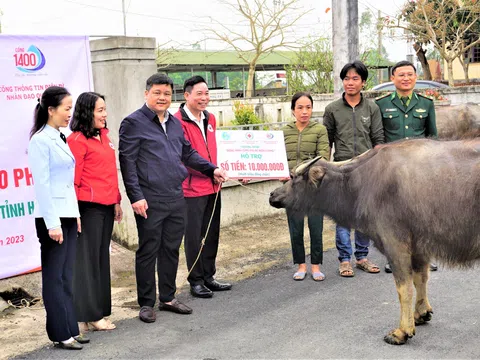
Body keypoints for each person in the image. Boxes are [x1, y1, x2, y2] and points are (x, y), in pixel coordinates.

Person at [119, 74, 228, 323]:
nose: (162, 98)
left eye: (167, 94)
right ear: (146, 94)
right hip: (150, 198)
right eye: (157, 92)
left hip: (176, 195)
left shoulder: (174, 123)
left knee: (170, 249)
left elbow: (188, 154)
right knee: (149, 250)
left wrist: (212, 169)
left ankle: (167, 297)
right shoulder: (133, 123)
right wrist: (135, 197)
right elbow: (128, 163)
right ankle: (146, 303)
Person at [28, 86, 89, 350]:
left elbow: (66, 183)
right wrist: (53, 223)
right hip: (51, 219)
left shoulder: (60, 136)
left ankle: (70, 328)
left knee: (66, 275)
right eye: (66, 108)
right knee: (54, 277)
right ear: (50, 110)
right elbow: (43, 185)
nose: (69, 113)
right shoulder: (40, 140)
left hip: (66, 215)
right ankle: (59, 333)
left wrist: (74, 216)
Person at [323, 60, 385, 278]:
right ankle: (345, 260)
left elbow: (378, 140)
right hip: (341, 171)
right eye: (347, 78)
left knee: (363, 216)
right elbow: (326, 142)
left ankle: (362, 257)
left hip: (366, 171)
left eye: (355, 78)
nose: (350, 82)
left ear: (363, 82)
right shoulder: (332, 109)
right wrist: (325, 169)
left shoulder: (372, 108)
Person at [375, 60, 438, 273]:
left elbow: (432, 138)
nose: (406, 78)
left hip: (421, 171)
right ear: (392, 79)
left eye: (410, 74)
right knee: (393, 216)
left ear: (415, 77)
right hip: (392, 172)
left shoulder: (426, 104)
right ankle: (394, 257)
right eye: (401, 75)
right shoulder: (381, 105)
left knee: (423, 214)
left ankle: (425, 256)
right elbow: (379, 138)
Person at [67, 92, 123, 332]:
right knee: (87, 263)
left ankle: (98, 311)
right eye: (100, 110)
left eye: (105, 109)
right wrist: (75, 212)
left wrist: (117, 201)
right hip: (87, 208)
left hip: (107, 206)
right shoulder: (77, 140)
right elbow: (72, 181)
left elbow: (110, 171)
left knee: (100, 260)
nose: (105, 114)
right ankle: (90, 315)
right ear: (87, 112)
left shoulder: (105, 136)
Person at [173, 76, 232, 298]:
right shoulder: (177, 122)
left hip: (213, 186)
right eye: (199, 94)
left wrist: (217, 171)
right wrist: (210, 170)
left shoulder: (210, 118)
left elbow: (212, 150)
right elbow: (187, 157)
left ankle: (209, 276)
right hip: (191, 189)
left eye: (206, 94)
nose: (204, 98)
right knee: (194, 237)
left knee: (212, 234)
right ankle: (195, 280)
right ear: (186, 95)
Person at [282, 92, 330, 281]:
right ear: (293, 110)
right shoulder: (284, 131)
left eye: (308, 107)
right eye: (300, 108)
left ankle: (315, 265)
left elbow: (323, 158)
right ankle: (301, 265)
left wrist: (307, 175)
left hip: (314, 188)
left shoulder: (320, 130)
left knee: (316, 226)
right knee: (295, 227)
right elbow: (278, 158)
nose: (304, 112)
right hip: (291, 188)